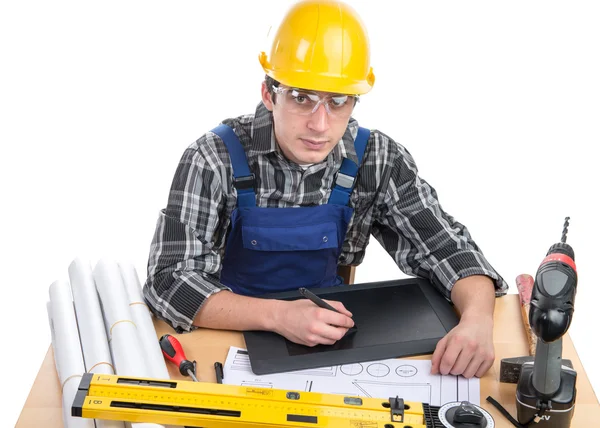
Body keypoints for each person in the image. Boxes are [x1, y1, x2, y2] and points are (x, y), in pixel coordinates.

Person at [143, 0, 508, 379]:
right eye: (302, 97)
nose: (320, 124)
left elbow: (447, 248)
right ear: (270, 94)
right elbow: (168, 279)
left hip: (327, 345)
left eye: (337, 102)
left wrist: (478, 321)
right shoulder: (212, 158)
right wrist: (277, 315)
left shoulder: (375, 158)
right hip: (226, 345)